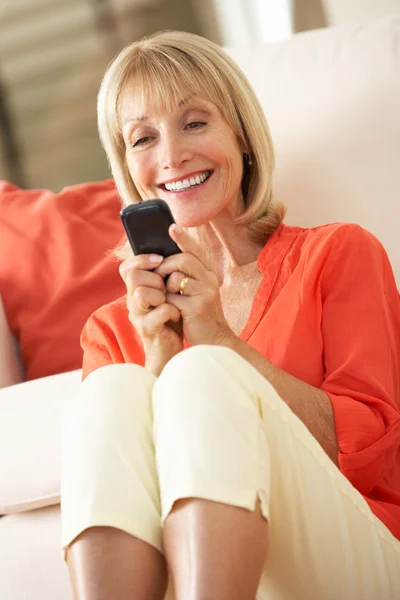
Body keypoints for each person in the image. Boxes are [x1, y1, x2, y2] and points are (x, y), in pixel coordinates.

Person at [60, 30, 400, 600]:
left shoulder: (338, 253)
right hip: (199, 575)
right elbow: (142, 506)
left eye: (195, 123)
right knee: (112, 391)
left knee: (204, 373)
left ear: (240, 134)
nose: (171, 157)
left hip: (356, 550)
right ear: (127, 167)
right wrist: (161, 356)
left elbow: (371, 455)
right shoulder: (112, 329)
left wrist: (219, 341)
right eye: (143, 139)